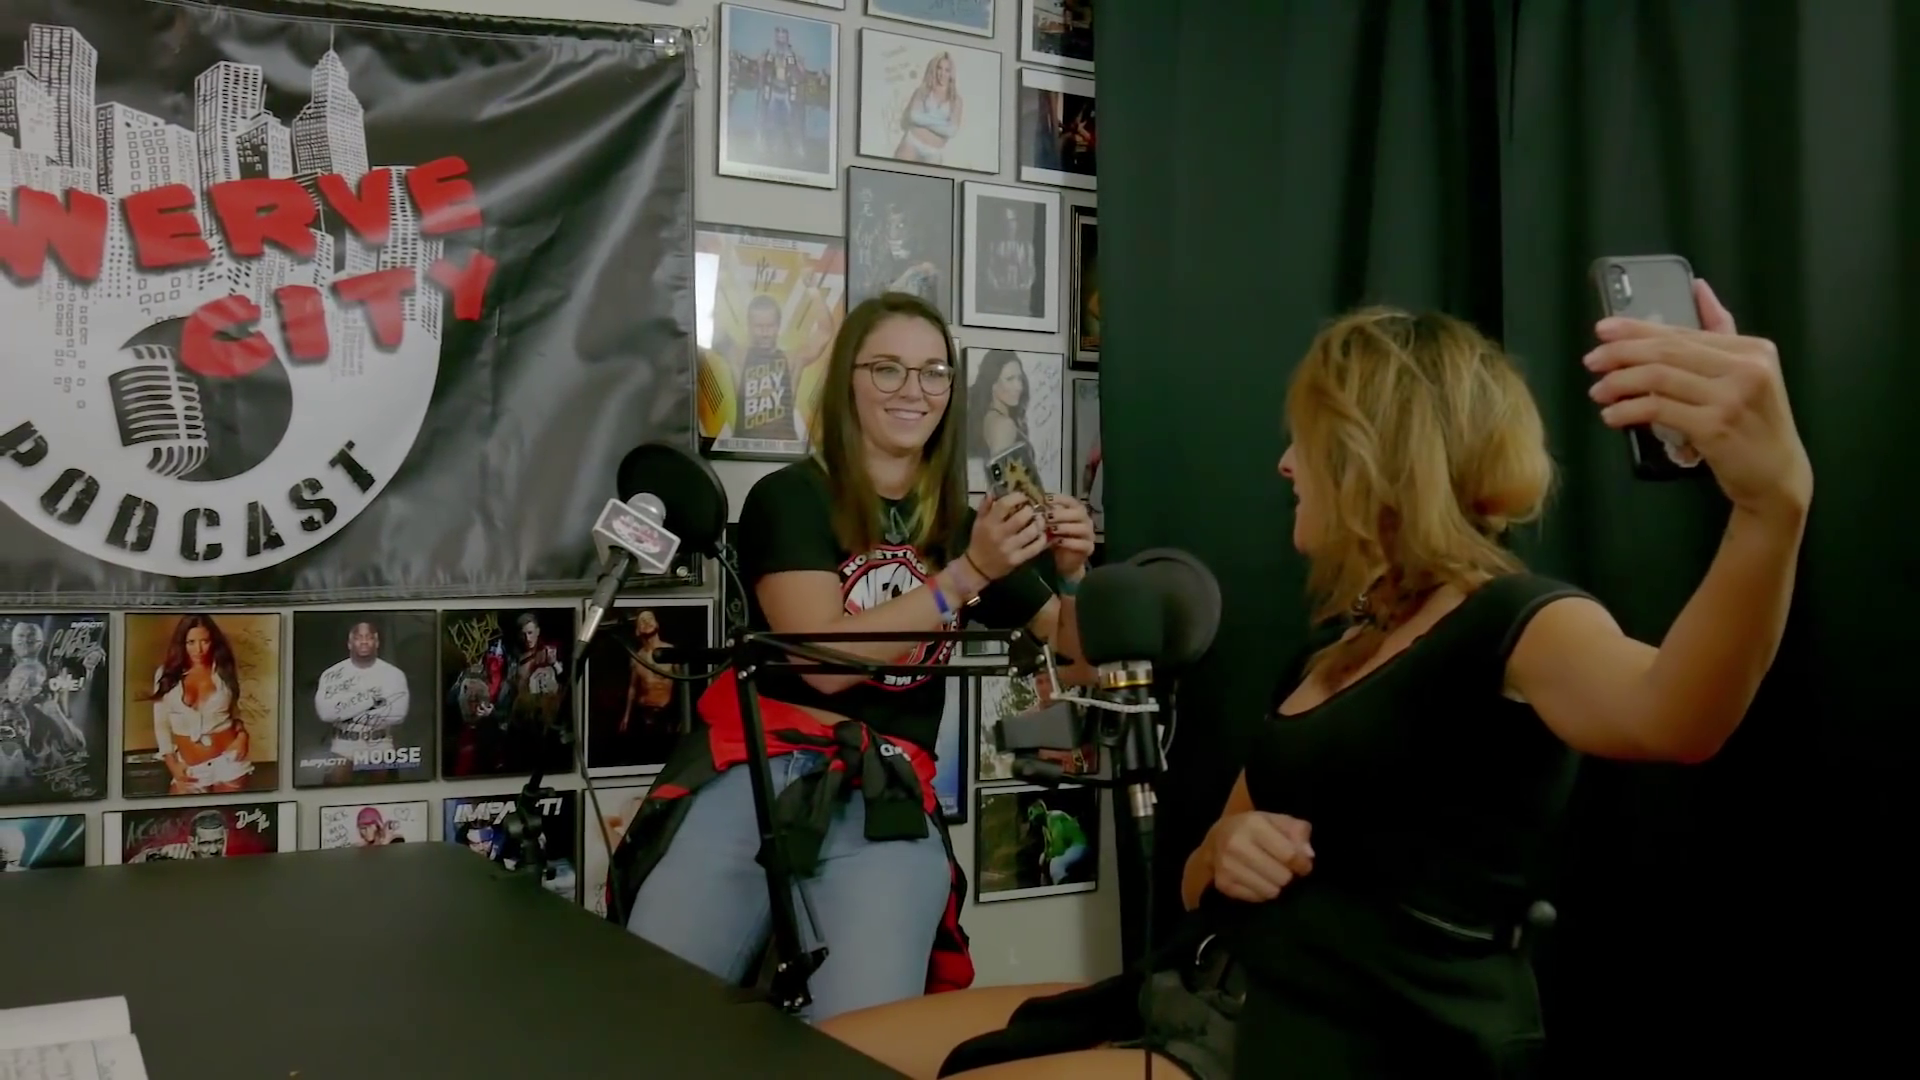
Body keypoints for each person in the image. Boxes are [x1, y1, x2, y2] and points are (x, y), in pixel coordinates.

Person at [819, 282, 1811, 1079]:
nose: (1287, 465)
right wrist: (1227, 848)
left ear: (1373, 457)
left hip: (1337, 1040)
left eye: (1306, 441)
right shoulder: (1334, 652)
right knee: (826, 1053)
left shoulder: (1517, 620)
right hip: (1199, 989)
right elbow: (1202, 871)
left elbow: (1676, 714)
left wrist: (1771, 507)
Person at [611, 292, 1098, 1025]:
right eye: (888, 369)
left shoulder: (960, 525)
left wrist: (1074, 573)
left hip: (885, 795)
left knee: (864, 1040)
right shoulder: (791, 498)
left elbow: (1076, 649)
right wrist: (967, 575)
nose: (913, 390)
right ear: (847, 381)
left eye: (933, 372)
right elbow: (823, 661)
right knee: (653, 1014)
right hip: (759, 772)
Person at [148, 614, 252, 795]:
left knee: (228, 813)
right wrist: (172, 765)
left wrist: (243, 736)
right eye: (191, 642)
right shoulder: (166, 675)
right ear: (182, 643)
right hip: (189, 767)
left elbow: (235, 713)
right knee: (180, 811)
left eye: (205, 641)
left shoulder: (223, 671)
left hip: (229, 761)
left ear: (213, 642)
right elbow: (161, 724)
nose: (199, 649)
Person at [314, 620, 411, 784]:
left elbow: (397, 714)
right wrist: (372, 701)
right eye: (358, 638)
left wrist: (345, 707)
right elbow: (326, 713)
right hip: (343, 745)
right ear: (349, 644)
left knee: (383, 793)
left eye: (369, 637)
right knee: (335, 788)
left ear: (377, 643)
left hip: (380, 744)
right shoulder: (332, 674)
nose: (364, 641)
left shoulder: (394, 674)